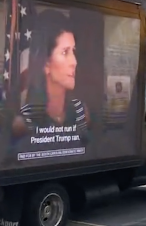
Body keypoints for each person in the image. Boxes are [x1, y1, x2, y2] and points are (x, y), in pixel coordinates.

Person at [11, 8, 90, 144]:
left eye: (74, 51)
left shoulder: (80, 111)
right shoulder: (24, 120)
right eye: (65, 52)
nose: (74, 62)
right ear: (45, 63)